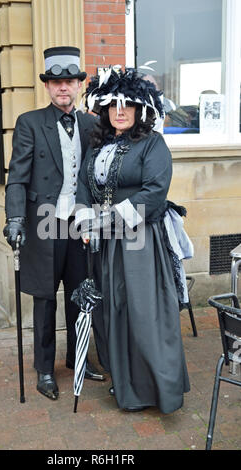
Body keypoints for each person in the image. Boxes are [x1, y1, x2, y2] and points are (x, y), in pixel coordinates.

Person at [75, 67, 192, 413]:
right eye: (113, 106)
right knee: (114, 312)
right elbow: (84, 185)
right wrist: (85, 221)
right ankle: (125, 386)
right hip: (106, 246)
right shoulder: (99, 146)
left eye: (127, 106)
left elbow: (154, 194)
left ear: (141, 110)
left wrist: (105, 221)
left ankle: (156, 390)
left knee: (144, 315)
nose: (120, 112)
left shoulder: (153, 145)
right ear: (105, 111)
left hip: (141, 244)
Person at [3, 46, 105, 401]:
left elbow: (98, 175)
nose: (64, 88)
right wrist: (15, 218)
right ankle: (45, 369)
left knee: (80, 297)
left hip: (79, 226)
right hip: (44, 225)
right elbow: (16, 177)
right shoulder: (30, 123)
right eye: (56, 82)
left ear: (79, 85)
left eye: (70, 81)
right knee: (45, 300)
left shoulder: (93, 124)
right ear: (47, 87)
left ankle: (79, 359)